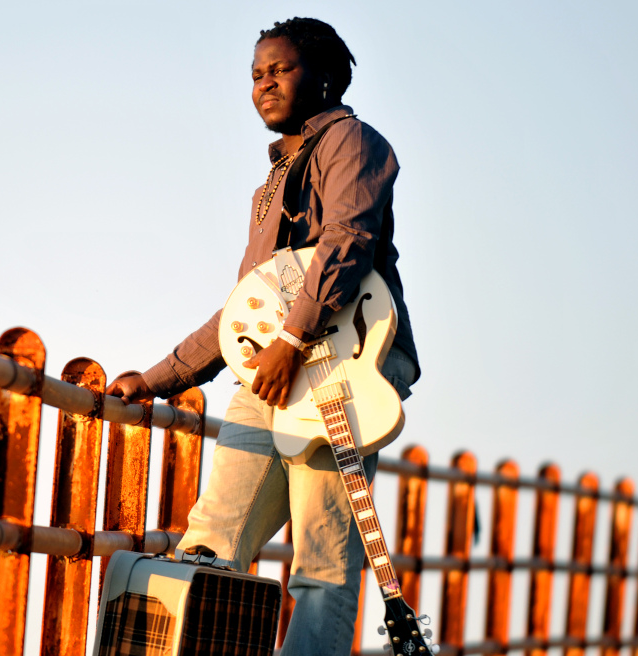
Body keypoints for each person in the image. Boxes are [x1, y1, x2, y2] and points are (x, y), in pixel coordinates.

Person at [106, 17, 420, 653]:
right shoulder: (272, 183)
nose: (264, 84)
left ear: (324, 76)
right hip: (271, 371)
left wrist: (291, 343)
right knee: (212, 536)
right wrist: (159, 378)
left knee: (323, 559)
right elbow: (246, 308)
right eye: (256, 74)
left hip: (344, 365)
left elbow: (349, 241)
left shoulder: (351, 143)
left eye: (280, 70)